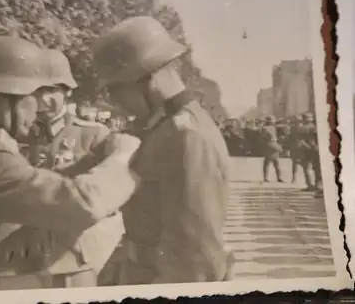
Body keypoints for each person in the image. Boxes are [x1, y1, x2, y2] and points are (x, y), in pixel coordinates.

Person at [0, 36, 141, 293]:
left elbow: (32, 183)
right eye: (35, 97)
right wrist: (121, 157)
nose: (38, 109)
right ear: (13, 97)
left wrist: (92, 160)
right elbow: (78, 203)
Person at [92, 16, 234, 284]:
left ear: (144, 78)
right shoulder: (162, 128)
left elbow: (194, 257)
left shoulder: (185, 135)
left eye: (114, 89)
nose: (114, 101)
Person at [25, 49, 124, 287]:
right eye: (37, 91)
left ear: (67, 92)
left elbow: (110, 201)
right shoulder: (20, 135)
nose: (42, 100)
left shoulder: (94, 134)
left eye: (51, 91)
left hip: (77, 257)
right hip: (30, 254)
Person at [261, 115, 284, 183]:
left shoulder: (264, 128)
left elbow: (264, 137)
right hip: (275, 144)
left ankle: (266, 178)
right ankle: (279, 177)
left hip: (269, 144)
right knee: (276, 162)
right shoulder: (274, 127)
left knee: (266, 163)